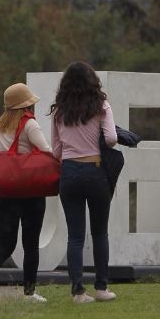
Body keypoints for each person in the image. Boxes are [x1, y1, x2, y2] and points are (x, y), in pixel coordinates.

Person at [0, 82, 51, 304]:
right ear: (26, 106)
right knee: (31, 245)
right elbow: (46, 152)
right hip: (30, 194)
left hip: (4, 196)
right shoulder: (29, 124)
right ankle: (29, 292)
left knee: (5, 244)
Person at [51, 61, 117, 304]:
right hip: (95, 171)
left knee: (75, 236)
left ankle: (78, 291)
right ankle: (101, 288)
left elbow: (56, 150)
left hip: (69, 172)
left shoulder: (60, 111)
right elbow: (111, 139)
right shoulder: (101, 106)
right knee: (100, 233)